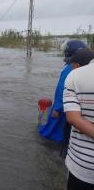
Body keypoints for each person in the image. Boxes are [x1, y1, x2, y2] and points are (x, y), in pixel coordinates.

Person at [38, 40, 87, 157]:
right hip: (78, 108)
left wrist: (57, 109)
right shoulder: (86, 68)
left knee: (58, 129)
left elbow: (62, 90)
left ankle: (60, 150)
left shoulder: (69, 69)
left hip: (66, 108)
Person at [63, 49, 94, 190]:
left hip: (82, 166)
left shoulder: (74, 76)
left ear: (75, 65)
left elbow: (74, 119)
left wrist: (57, 109)